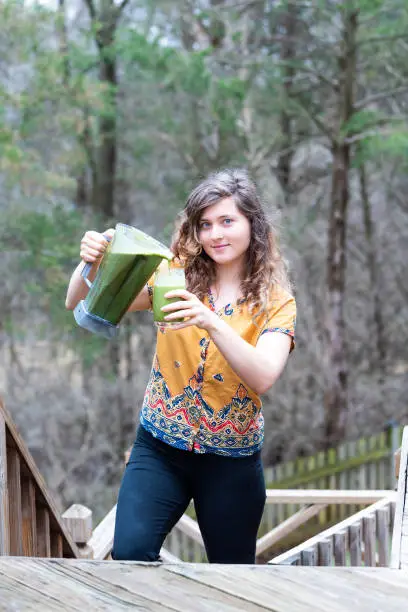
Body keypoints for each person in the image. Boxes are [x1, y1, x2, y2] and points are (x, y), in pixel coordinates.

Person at [65, 168, 296, 564]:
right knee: (130, 557)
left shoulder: (276, 302)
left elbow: (264, 375)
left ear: (252, 225)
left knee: (233, 579)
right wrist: (90, 263)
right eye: (205, 225)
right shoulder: (175, 274)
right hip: (158, 449)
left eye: (227, 221)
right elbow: (80, 302)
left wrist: (209, 320)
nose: (215, 235)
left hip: (232, 462)